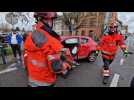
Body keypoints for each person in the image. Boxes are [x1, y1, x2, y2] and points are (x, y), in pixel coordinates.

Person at [24, 12, 71, 87]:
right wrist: (66, 66)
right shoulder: (51, 40)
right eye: (53, 21)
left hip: (32, 79)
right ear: (48, 21)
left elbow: (27, 58)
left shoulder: (30, 36)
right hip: (45, 81)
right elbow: (56, 67)